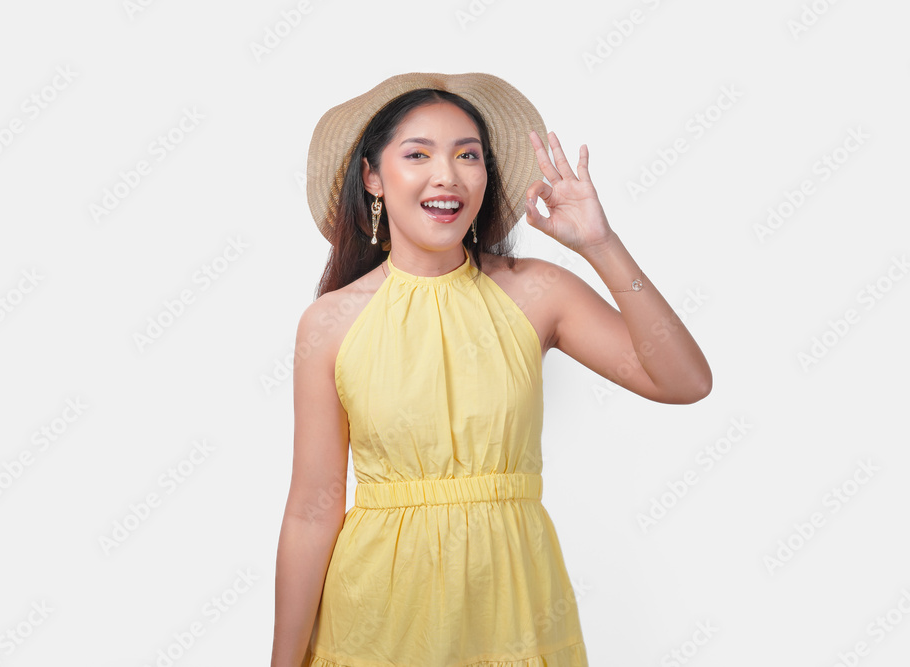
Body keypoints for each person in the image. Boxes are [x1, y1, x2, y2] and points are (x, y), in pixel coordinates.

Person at [272, 72, 712, 667]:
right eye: (418, 154)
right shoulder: (331, 322)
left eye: (468, 155)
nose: (447, 176)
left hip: (514, 611)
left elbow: (685, 381)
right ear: (373, 177)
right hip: (377, 620)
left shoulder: (537, 293)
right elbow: (311, 511)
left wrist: (601, 244)